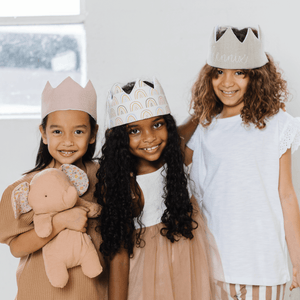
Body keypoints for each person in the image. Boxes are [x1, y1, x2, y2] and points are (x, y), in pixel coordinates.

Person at [180, 26, 300, 299]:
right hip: (215, 264)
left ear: (256, 77)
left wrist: (298, 259)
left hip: (264, 264)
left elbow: (287, 194)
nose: (227, 82)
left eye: (240, 73)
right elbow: (171, 163)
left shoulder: (278, 125)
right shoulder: (205, 127)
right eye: (218, 72)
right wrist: (197, 116)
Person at [95, 78, 223, 300]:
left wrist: (206, 107)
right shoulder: (126, 186)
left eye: (157, 124)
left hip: (189, 267)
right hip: (150, 277)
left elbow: (186, 129)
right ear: (119, 139)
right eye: (134, 130)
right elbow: (119, 255)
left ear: (168, 126)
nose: (150, 137)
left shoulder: (174, 157)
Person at [0, 77, 108, 300]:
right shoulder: (25, 187)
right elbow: (16, 248)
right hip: (40, 293)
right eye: (57, 132)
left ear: (93, 133)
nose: (68, 141)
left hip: (90, 293)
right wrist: (59, 223)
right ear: (43, 133)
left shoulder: (103, 178)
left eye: (78, 131)